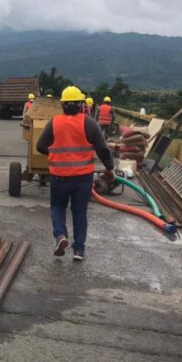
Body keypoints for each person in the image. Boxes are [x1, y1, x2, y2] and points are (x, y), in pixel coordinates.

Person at [37, 86, 115, 261]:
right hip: (83, 178)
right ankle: (79, 250)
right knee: (79, 212)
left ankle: (60, 236)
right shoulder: (89, 123)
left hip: (59, 176)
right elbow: (103, 149)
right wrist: (110, 169)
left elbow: (40, 146)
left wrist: (56, 154)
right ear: (81, 104)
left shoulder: (54, 123)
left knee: (57, 207)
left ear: (63, 105)